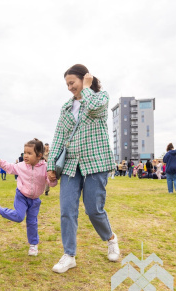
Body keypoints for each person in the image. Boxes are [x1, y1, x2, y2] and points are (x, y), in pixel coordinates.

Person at [47, 64, 120, 274]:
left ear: (84, 79)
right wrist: (52, 165)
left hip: (96, 161)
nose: (70, 87)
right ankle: (69, 255)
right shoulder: (66, 108)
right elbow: (59, 136)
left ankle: (111, 238)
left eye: (73, 83)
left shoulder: (99, 97)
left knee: (93, 209)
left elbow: (97, 108)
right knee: (67, 210)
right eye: (67, 84)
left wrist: (88, 87)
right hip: (71, 163)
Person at [0, 139, 57, 256]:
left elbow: (49, 183)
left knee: (32, 222)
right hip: (21, 196)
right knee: (19, 217)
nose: (25, 156)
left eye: (29, 153)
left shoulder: (45, 167)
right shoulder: (21, 166)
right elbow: (9, 167)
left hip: (35, 200)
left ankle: (33, 245)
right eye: (25, 152)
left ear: (39, 155)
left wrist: (52, 180)